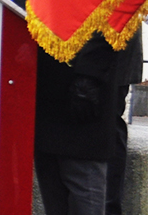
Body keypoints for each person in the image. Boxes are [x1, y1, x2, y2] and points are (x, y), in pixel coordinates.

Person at [35, 30, 143, 215]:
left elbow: (117, 10)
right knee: (56, 180)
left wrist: (90, 73)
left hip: (95, 68)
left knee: (85, 178)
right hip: (50, 67)